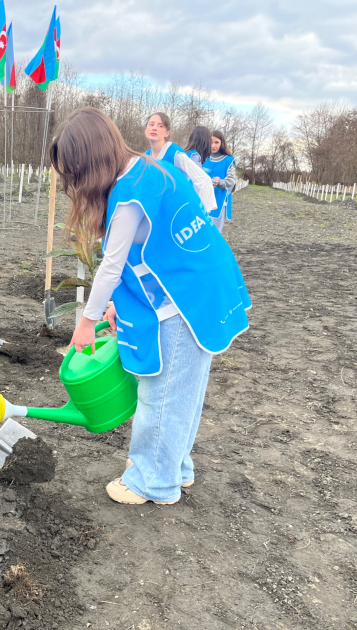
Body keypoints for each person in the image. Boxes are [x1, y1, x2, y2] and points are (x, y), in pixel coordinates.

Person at [55, 108, 251, 505]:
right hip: (204, 282)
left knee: (161, 391)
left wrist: (87, 321)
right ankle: (176, 467)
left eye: (74, 172)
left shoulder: (129, 191)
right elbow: (146, 248)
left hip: (185, 297)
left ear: (90, 160)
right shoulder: (148, 169)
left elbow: (111, 263)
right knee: (186, 389)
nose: (74, 182)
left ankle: (153, 482)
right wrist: (117, 303)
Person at [143, 112, 217, 215]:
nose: (154, 128)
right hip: (157, 213)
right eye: (151, 124)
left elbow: (203, 180)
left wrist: (202, 216)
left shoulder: (175, 154)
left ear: (167, 133)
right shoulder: (144, 157)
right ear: (146, 129)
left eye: (160, 126)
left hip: (178, 213)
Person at [204, 130, 237, 233]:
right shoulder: (203, 158)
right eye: (211, 142)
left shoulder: (229, 160)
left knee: (214, 234)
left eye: (216, 142)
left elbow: (231, 181)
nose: (213, 145)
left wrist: (220, 182)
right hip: (202, 201)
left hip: (219, 201)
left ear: (222, 143)